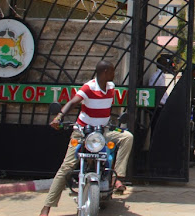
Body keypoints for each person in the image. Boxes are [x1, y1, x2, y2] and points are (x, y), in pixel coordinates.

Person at [39, 60, 133, 215]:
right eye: (112, 71)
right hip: (82, 133)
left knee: (127, 137)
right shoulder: (89, 87)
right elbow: (72, 102)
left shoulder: (111, 88)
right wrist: (59, 117)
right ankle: (47, 206)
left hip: (102, 132)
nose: (114, 74)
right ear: (104, 72)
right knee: (66, 167)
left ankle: (117, 177)